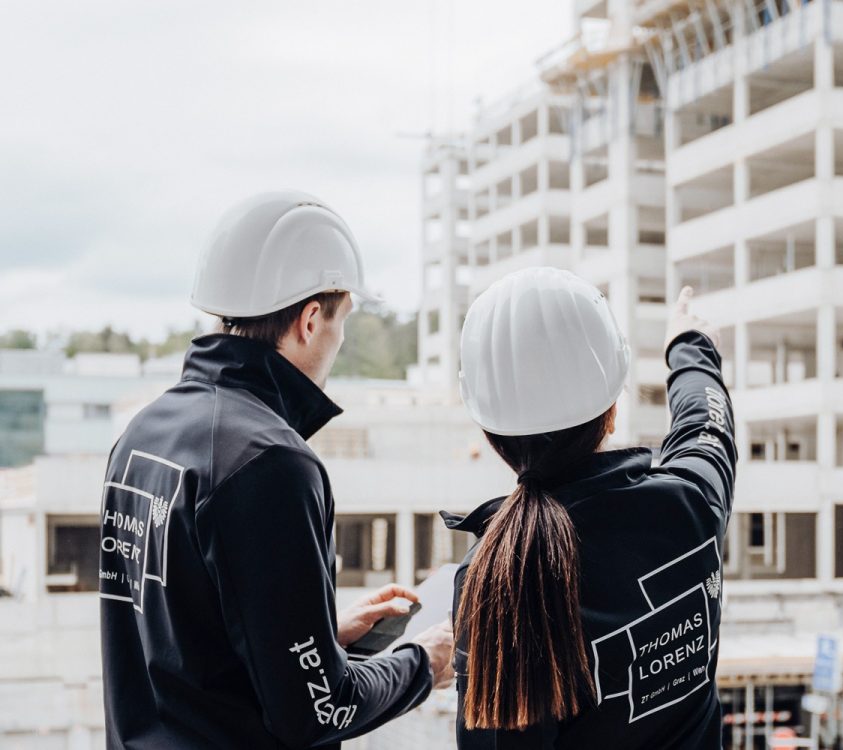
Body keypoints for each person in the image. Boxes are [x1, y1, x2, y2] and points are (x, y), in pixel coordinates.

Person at [99, 191, 455, 748]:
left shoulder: (143, 436)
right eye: (343, 325)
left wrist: (318, 638)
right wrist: (422, 664)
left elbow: (183, 655)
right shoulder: (270, 463)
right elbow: (320, 711)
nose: (339, 343)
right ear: (311, 320)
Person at [442, 267, 735, 749]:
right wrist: (691, 345)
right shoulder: (688, 505)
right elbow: (707, 428)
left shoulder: (497, 576)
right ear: (612, 411)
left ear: (490, 434)